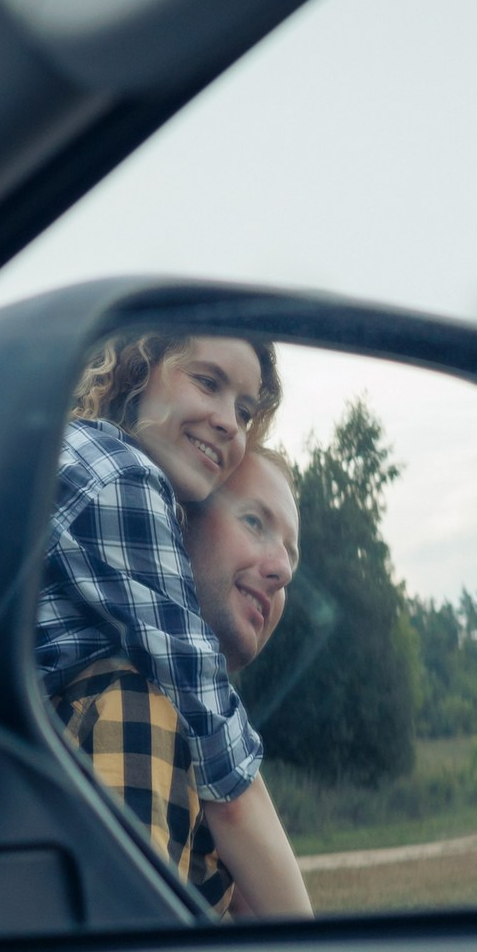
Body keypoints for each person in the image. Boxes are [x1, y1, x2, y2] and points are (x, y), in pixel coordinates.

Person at [37, 331, 312, 917]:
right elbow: (220, 748)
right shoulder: (119, 476)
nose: (230, 423)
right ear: (138, 369)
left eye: (245, 410)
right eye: (207, 382)